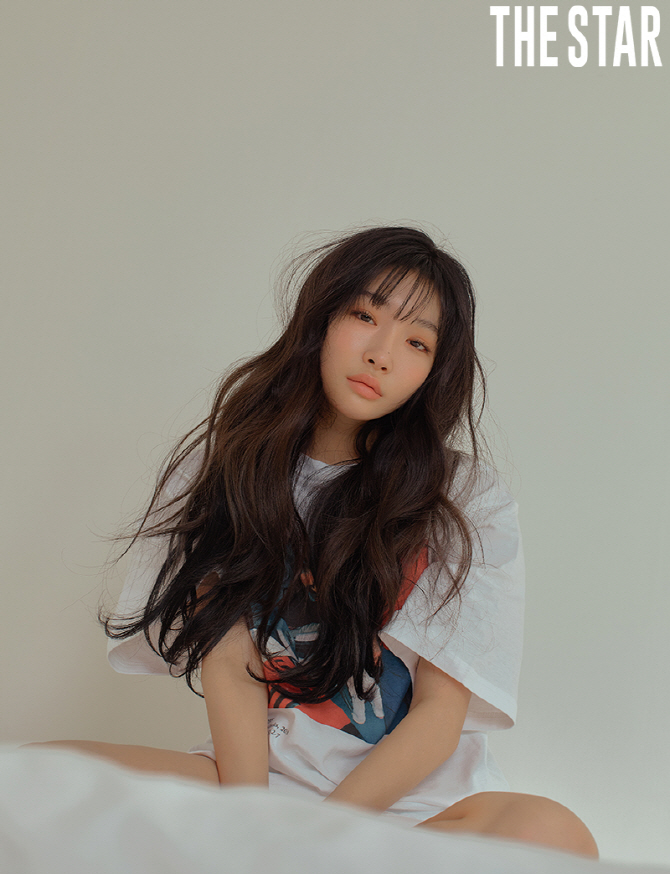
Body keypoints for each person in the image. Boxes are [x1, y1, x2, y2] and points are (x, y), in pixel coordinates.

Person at [32, 227, 597, 857]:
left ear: (434, 371)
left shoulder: (462, 499)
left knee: (553, 836)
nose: (382, 354)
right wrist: (253, 827)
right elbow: (230, 663)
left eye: (417, 342)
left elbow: (440, 714)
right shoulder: (233, 465)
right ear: (321, 317)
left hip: (412, 809)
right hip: (257, 785)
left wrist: (312, 844)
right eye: (365, 316)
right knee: (33, 778)